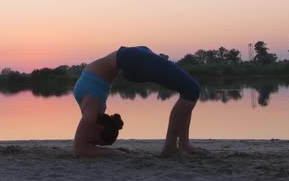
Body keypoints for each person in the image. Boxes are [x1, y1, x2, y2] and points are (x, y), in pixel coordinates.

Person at [72, 46, 202, 157]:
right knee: (190, 90)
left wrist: (115, 153)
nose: (93, 144)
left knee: (190, 90)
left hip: (131, 58)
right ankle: (180, 145)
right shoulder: (92, 111)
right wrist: (112, 151)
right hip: (130, 57)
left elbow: (79, 150)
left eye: (96, 142)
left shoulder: (91, 112)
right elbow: (83, 148)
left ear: (98, 128)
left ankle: (174, 146)